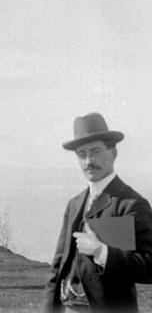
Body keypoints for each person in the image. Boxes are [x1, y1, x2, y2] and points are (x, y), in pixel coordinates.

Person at [43, 112, 152, 313]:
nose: (88, 161)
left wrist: (101, 251)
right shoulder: (74, 205)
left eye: (95, 151)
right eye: (81, 154)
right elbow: (57, 268)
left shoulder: (132, 203)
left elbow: (149, 266)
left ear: (113, 153)